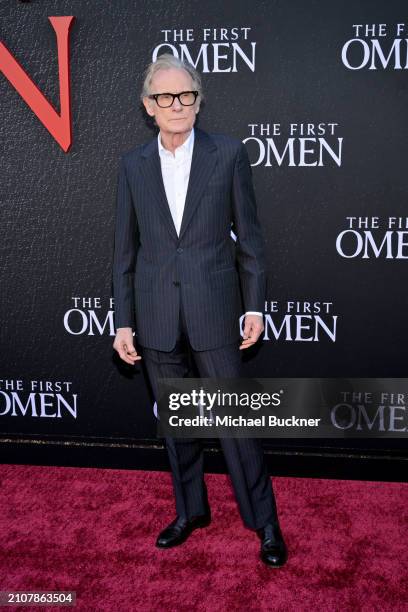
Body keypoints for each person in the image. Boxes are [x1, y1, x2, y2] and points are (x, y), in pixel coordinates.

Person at [112, 53, 287, 567]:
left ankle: (265, 523)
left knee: (237, 425)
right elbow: (124, 251)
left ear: (197, 100)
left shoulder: (228, 154)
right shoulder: (131, 165)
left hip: (214, 309)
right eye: (165, 97)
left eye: (185, 95)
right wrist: (123, 320)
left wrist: (255, 308)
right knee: (177, 425)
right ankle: (192, 510)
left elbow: (250, 242)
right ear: (149, 105)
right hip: (156, 313)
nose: (176, 105)